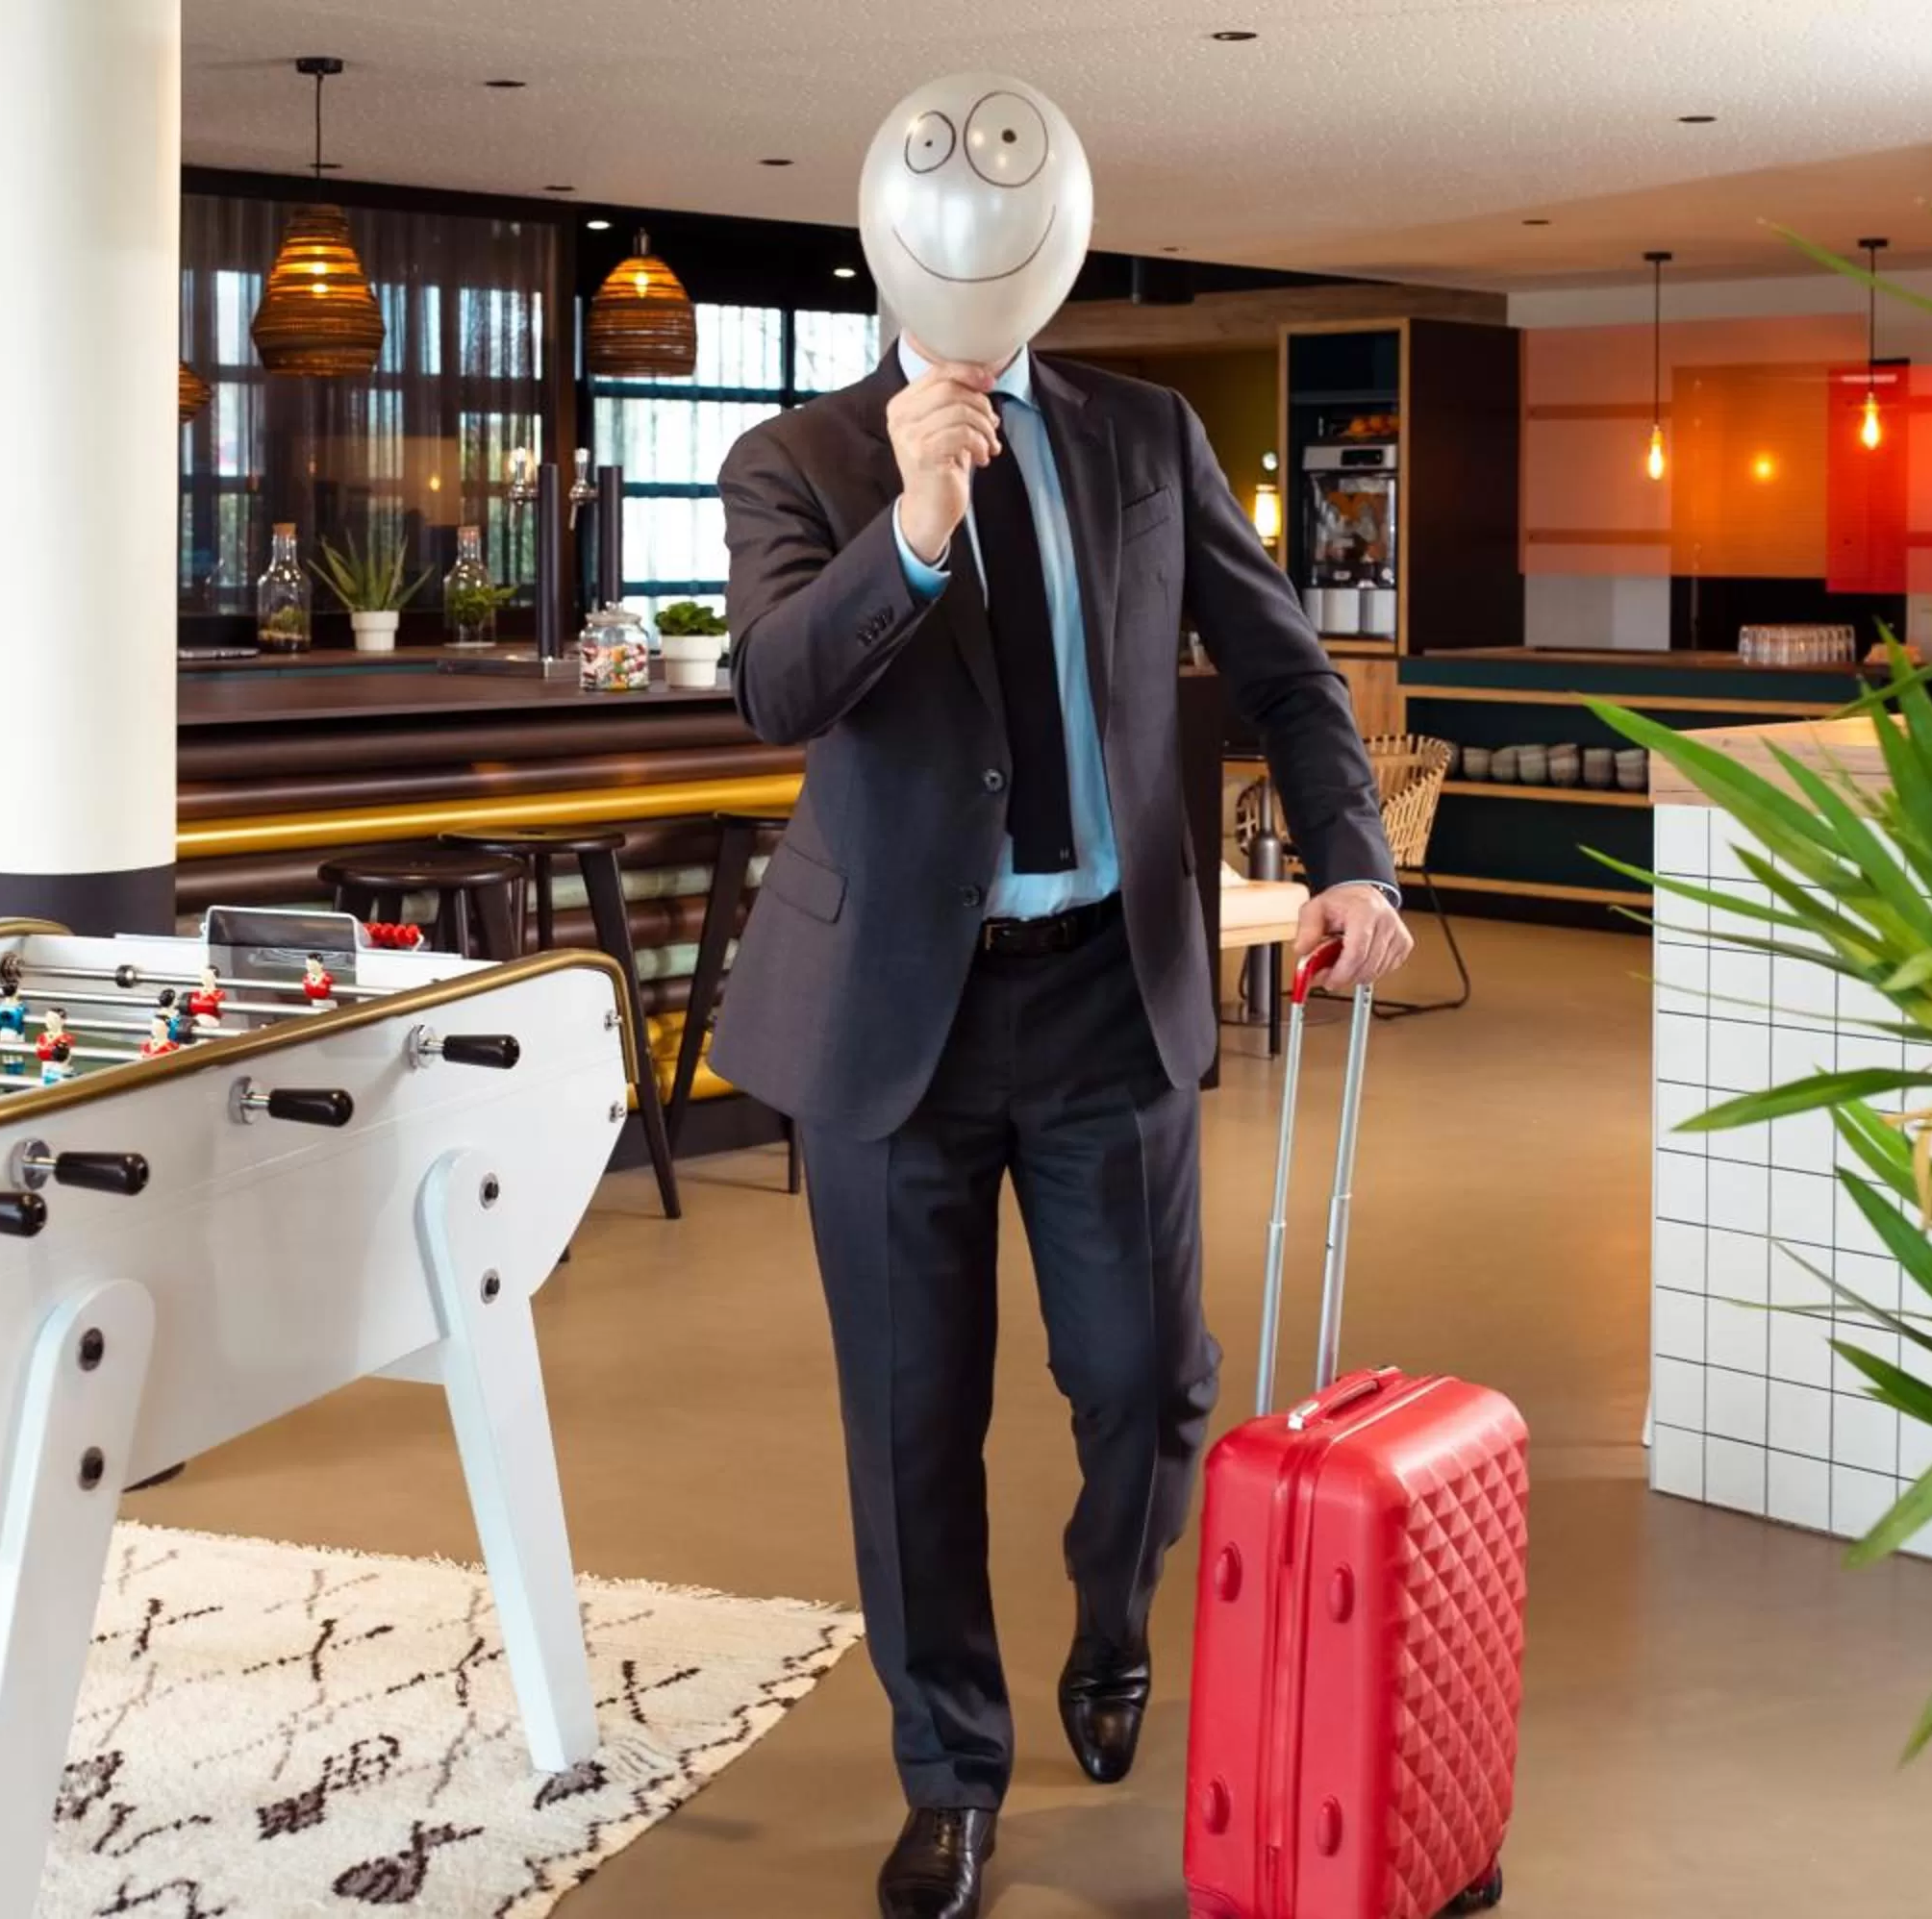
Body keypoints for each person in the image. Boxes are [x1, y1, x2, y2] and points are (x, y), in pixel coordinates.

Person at [713, 72, 1413, 1919]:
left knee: (1147, 1386)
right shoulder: (796, 460)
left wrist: (1352, 854)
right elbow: (781, 686)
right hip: (894, 1027)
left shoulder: (1141, 431)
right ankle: (951, 1775)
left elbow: (1285, 669)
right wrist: (920, 521)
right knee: (911, 1425)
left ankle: (1115, 1608)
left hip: (1111, 987)